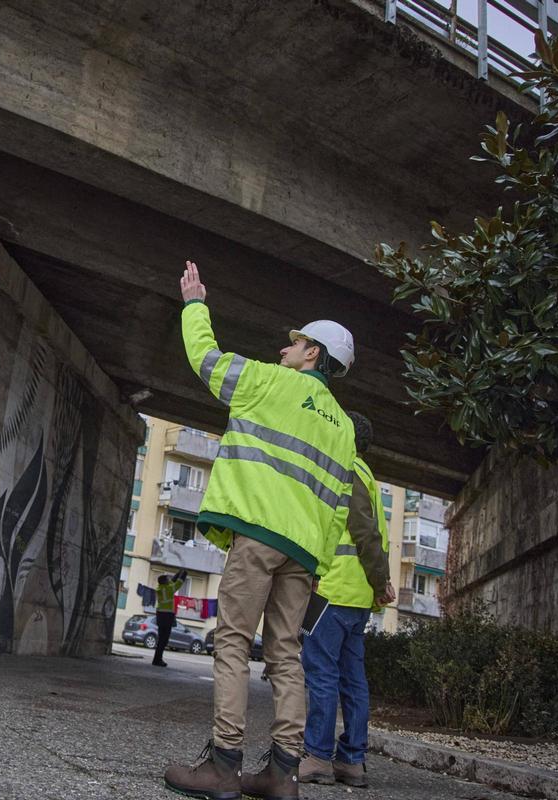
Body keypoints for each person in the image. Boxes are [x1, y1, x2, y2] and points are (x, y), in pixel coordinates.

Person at [164, 261, 357, 800]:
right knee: (285, 655)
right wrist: (318, 565)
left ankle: (224, 764)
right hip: (303, 556)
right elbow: (338, 507)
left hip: (258, 538)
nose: (283, 350)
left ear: (312, 354)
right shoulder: (343, 429)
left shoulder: (268, 383)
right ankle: (283, 773)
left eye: (293, 345)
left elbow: (204, 358)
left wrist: (195, 303)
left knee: (230, 640)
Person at [299, 412, 396, 788]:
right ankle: (352, 762)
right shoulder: (368, 475)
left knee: (322, 675)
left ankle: (318, 758)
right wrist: (375, 584)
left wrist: (382, 580)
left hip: (332, 592)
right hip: (355, 599)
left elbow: (362, 530)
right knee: (353, 681)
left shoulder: (347, 471)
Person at [153, 569, 188, 667]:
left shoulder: (161, 588)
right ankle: (157, 660)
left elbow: (172, 581)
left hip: (160, 615)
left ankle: (157, 659)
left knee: (161, 639)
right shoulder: (169, 589)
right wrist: (184, 573)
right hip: (166, 616)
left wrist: (178, 572)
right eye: (167, 579)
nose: (169, 580)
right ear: (164, 582)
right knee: (164, 640)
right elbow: (178, 583)